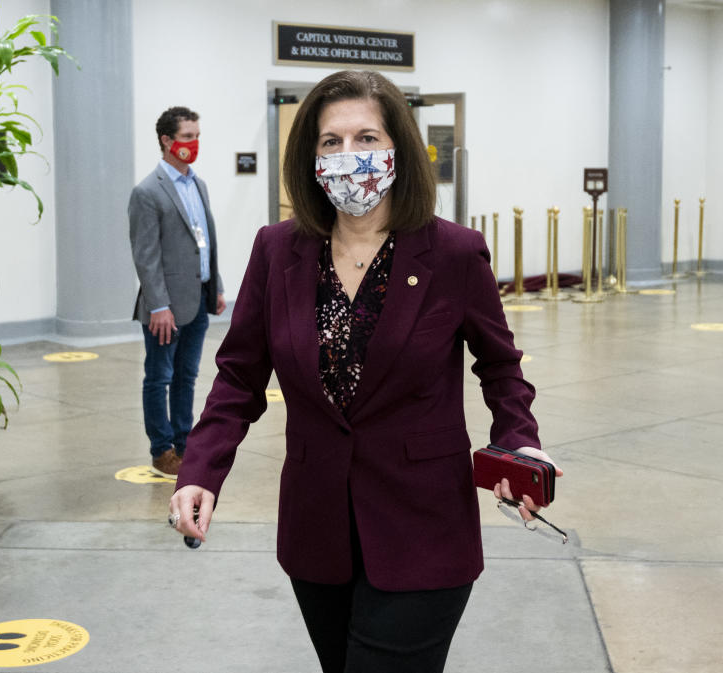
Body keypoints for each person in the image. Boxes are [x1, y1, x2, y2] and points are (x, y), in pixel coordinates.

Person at [168, 71, 562, 673]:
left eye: (366, 137)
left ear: (398, 149)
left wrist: (519, 443)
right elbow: (239, 376)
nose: (349, 156)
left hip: (424, 526)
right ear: (311, 157)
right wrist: (201, 469)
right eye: (331, 142)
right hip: (316, 529)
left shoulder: (453, 254)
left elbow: (501, 367)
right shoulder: (277, 251)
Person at [129, 106, 225, 478]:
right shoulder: (148, 192)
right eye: (187, 136)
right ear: (167, 141)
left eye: (197, 135)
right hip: (165, 308)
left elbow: (206, 243)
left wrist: (214, 286)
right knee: (159, 377)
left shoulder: (198, 184)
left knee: (187, 376)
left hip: (198, 298)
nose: (194, 143)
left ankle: (185, 442)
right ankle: (161, 449)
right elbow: (146, 256)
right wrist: (159, 306)